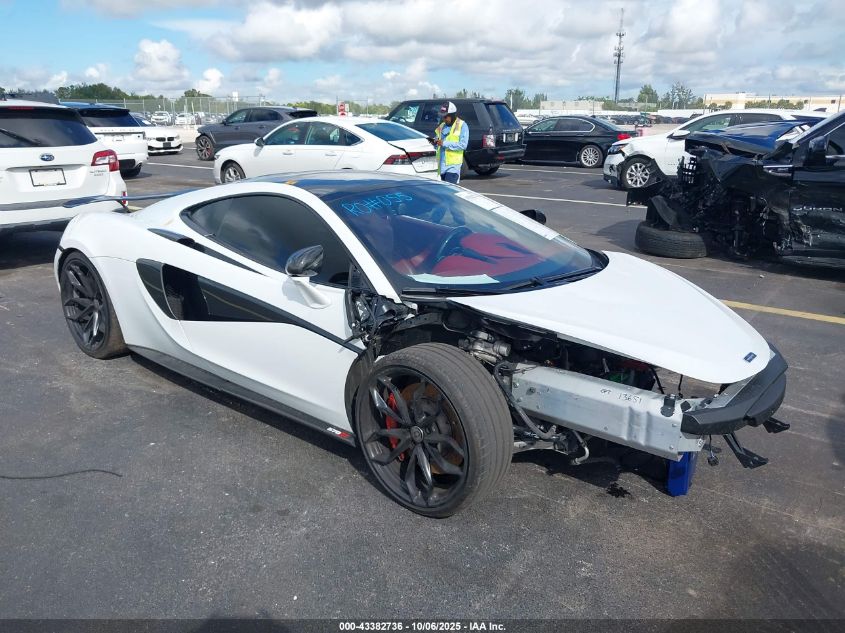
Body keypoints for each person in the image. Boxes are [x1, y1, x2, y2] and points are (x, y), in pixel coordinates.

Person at [433, 102, 469, 184]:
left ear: (452, 115)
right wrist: (434, 142)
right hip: (441, 166)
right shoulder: (442, 125)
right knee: (443, 190)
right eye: (443, 117)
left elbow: (463, 145)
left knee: (449, 189)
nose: (444, 119)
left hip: (453, 167)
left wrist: (444, 143)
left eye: (446, 117)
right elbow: (437, 138)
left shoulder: (462, 125)